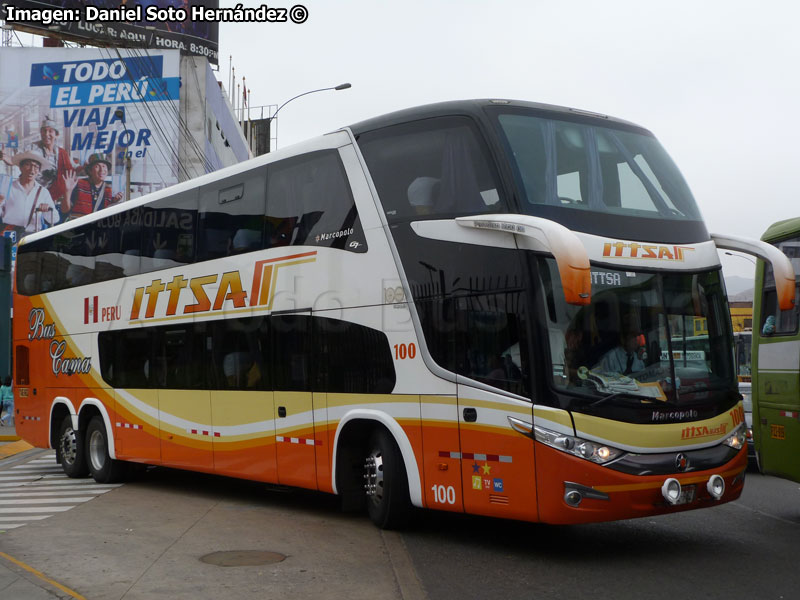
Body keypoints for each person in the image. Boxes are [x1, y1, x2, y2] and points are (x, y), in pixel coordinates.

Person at [2, 117, 74, 216]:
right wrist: (6, 157)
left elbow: (71, 169)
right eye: (44, 131)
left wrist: (85, 168)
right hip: (33, 193)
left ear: (56, 135)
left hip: (53, 195)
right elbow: (16, 159)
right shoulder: (32, 148)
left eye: (50, 131)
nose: (46, 134)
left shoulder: (61, 153)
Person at [0, 151, 60, 235]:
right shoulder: (8, 188)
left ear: (39, 171)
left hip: (33, 235)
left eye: (36, 167)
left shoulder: (43, 192)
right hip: (9, 234)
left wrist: (47, 210)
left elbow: (55, 219)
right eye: (28, 165)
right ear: (20, 167)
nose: (32, 170)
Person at [62, 154, 123, 219]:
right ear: (90, 171)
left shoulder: (108, 190)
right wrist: (67, 192)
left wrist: (114, 201)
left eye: (104, 166)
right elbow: (64, 211)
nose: (101, 170)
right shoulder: (78, 184)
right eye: (97, 166)